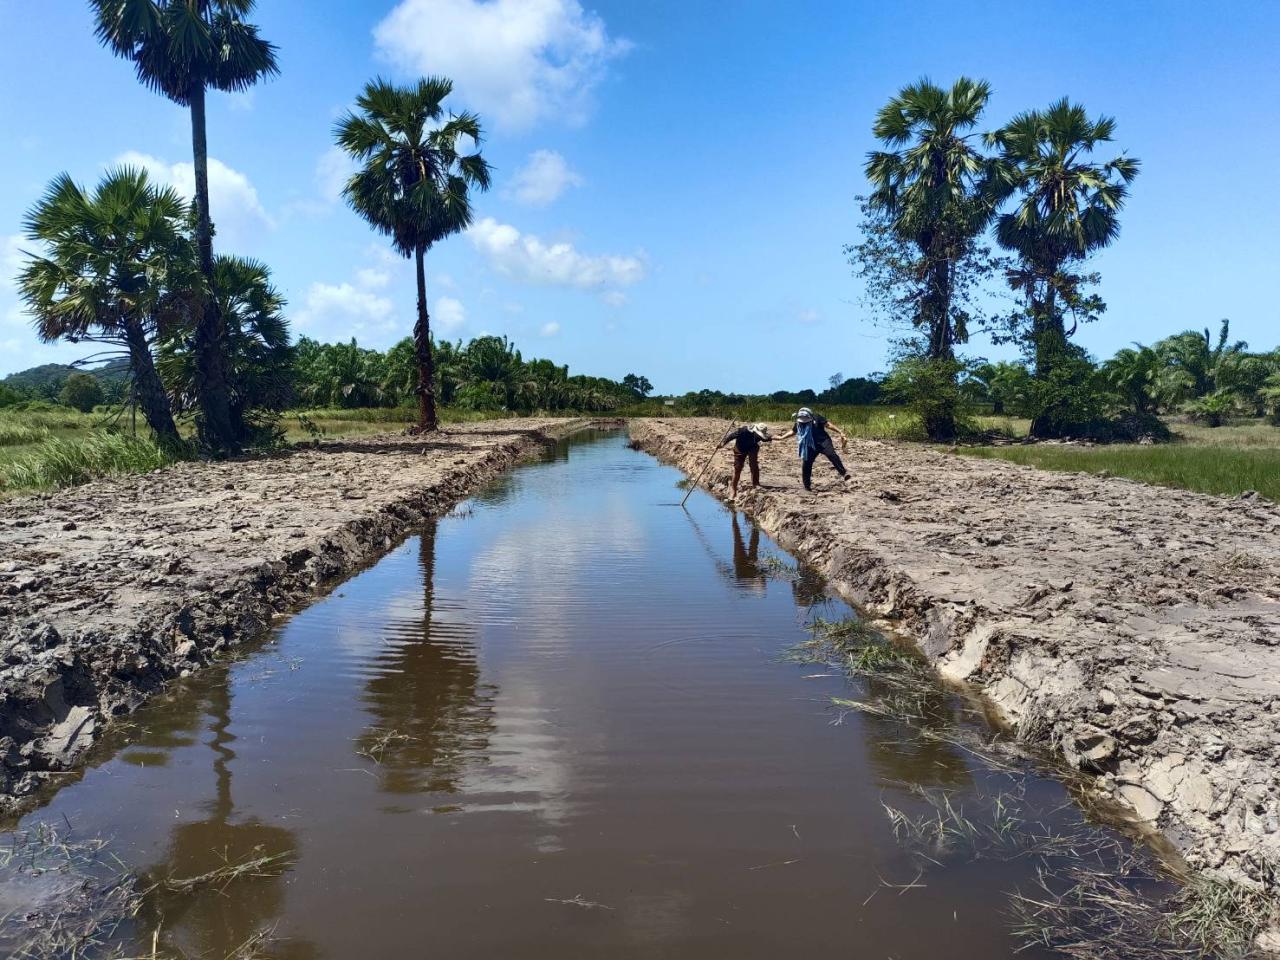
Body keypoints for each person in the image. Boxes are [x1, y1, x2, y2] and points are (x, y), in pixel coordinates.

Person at [776, 407, 850, 492]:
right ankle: (807, 485)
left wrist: (840, 431)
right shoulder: (799, 423)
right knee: (806, 464)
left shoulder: (817, 417)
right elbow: (793, 432)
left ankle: (844, 473)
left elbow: (828, 425)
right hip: (810, 445)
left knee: (831, 454)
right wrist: (782, 437)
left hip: (823, 441)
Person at [718, 422, 773, 500]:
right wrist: (722, 444)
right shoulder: (743, 431)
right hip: (740, 447)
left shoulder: (761, 436)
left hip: (752, 447)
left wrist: (782, 437)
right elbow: (731, 436)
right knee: (738, 468)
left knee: (753, 464)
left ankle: (756, 483)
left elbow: (770, 437)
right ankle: (733, 490)